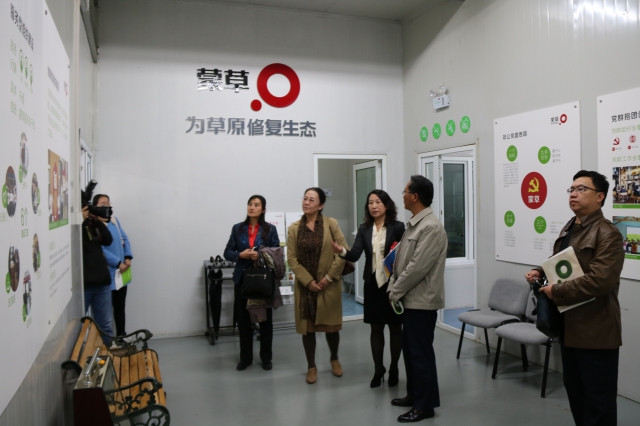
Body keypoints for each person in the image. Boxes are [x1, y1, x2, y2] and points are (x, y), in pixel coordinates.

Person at [525, 170, 624, 426]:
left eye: (581, 189)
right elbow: (562, 264)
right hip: (569, 327)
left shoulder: (608, 233)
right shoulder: (571, 226)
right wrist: (541, 270)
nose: (574, 194)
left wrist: (556, 291)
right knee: (577, 395)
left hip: (596, 330)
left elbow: (601, 280)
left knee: (598, 402)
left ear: (600, 197)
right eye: (571, 189)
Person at [331, 189, 405, 388]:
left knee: (395, 328)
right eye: (370, 202)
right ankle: (378, 369)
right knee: (376, 328)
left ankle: (394, 368)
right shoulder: (364, 228)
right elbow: (355, 254)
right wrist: (341, 251)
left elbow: (405, 255)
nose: (374, 206)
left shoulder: (398, 227)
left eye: (378, 202)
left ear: (386, 205)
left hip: (393, 285)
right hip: (372, 285)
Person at [388, 175, 447, 423]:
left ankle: (425, 406)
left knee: (421, 354)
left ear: (415, 196)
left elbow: (417, 268)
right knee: (411, 352)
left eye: (405, 191)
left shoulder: (431, 227)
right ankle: (414, 395)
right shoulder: (414, 224)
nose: (402, 195)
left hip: (422, 301)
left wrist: (395, 291)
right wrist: (393, 285)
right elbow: (399, 261)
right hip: (410, 299)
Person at [287, 187, 348, 384]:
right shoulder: (294, 228)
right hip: (306, 287)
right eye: (305, 198)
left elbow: (343, 251)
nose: (306, 202)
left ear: (321, 205)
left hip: (328, 284)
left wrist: (329, 277)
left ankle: (334, 359)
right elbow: (292, 258)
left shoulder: (331, 224)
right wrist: (308, 281)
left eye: (311, 200)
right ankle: (311, 366)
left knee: (331, 327)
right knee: (308, 329)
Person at [224, 195, 280, 371]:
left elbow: (276, 253)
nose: (252, 207)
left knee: (264, 320)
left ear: (263, 210)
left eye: (256, 205)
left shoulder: (270, 229)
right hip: (242, 280)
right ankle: (245, 358)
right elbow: (227, 252)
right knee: (243, 321)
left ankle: (266, 358)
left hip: (261, 280)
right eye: (250, 204)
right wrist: (241, 255)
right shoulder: (237, 228)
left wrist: (259, 255)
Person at [94, 194, 134, 337]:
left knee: (120, 307)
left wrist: (128, 257)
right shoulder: (95, 226)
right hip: (107, 275)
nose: (106, 205)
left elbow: (125, 238)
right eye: (102, 203)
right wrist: (118, 263)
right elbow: (100, 250)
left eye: (108, 202)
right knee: (105, 312)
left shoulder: (114, 221)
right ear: (95, 207)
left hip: (122, 273)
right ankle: (107, 341)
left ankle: (121, 336)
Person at [82, 204, 115, 345]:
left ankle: (107, 354)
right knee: (77, 327)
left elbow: (108, 240)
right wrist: (80, 221)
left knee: (105, 326)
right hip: (83, 285)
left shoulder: (93, 224)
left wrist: (96, 220)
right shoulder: (77, 225)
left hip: (102, 282)